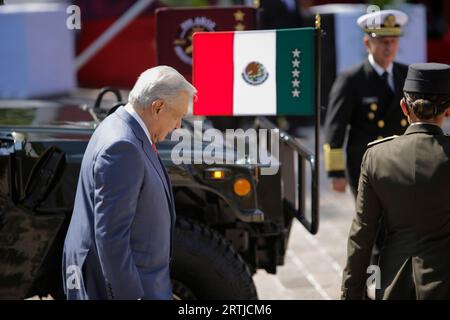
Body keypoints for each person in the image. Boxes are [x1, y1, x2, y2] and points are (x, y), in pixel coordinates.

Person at [62, 66, 197, 300]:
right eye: (178, 116)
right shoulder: (122, 147)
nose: (178, 126)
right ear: (157, 107)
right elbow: (111, 238)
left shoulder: (121, 124)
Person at [341, 62, 450, 300]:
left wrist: (351, 294)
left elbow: (363, 235)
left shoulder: (377, 156)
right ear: (448, 109)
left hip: (392, 281)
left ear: (404, 107)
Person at [324, 9, 409, 196]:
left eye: (393, 42)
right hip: (366, 165)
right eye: (382, 41)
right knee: (371, 221)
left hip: (401, 162)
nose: (388, 47)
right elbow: (335, 127)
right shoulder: (351, 79)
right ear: (367, 43)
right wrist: (336, 172)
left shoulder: (407, 75)